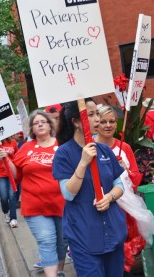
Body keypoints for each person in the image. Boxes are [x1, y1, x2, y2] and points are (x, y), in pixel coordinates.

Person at [53, 98, 127, 277]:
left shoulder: (104, 150)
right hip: (84, 237)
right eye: (91, 114)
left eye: (97, 114)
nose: (97, 119)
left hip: (113, 233)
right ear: (76, 122)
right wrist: (83, 162)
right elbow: (68, 193)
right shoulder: (63, 154)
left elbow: (119, 185)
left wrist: (109, 197)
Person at [0, 109, 67, 277]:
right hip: (35, 205)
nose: (40, 125)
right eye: (36, 123)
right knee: (46, 241)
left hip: (63, 204)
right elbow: (16, 175)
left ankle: (59, 271)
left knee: (62, 243)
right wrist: (5, 159)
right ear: (32, 129)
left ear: (50, 126)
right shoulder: (25, 148)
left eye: (43, 122)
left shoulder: (63, 145)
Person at [95, 105, 149, 276]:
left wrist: (126, 170)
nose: (108, 125)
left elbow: (135, 179)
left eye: (112, 121)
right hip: (101, 206)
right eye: (103, 121)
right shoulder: (91, 148)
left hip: (125, 208)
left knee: (122, 248)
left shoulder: (124, 148)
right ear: (97, 124)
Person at [0, 137, 18, 228]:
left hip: (12, 173)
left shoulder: (13, 142)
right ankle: (6, 212)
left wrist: (9, 154)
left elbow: (18, 156)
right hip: (0, 175)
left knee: (12, 196)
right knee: (4, 197)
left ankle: (13, 218)